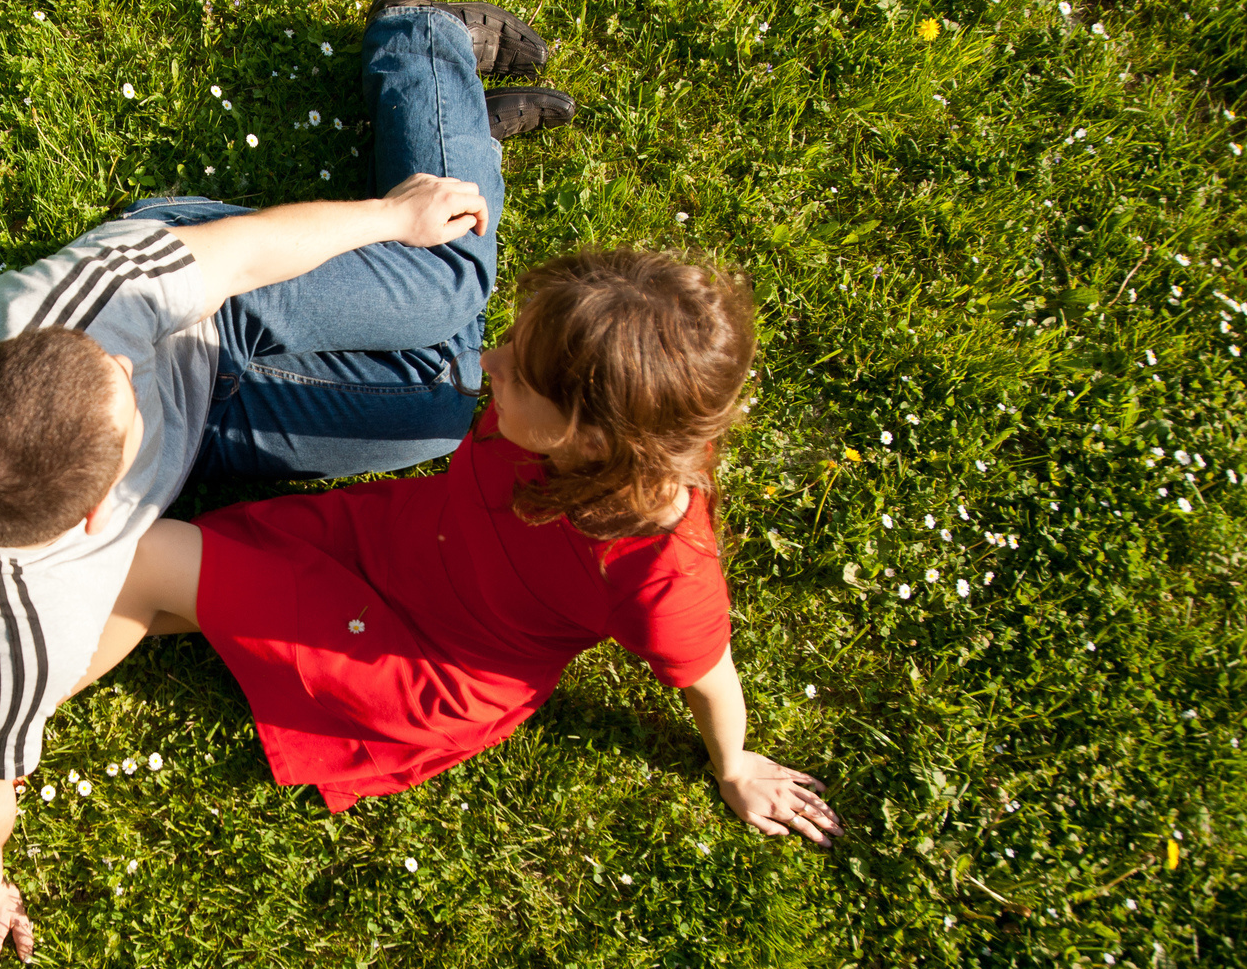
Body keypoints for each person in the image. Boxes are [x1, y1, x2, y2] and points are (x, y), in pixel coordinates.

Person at [0, 0, 576, 969]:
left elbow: (246, 257)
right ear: (97, 517)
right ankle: (459, 138)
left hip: (220, 301)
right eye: (123, 402)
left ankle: (426, 46)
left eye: (100, 371)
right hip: (219, 410)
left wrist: (389, 220)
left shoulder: (62, 311)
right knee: (445, 404)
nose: (130, 372)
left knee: (446, 280)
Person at [78, 246, 842, 832]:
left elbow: (710, 673)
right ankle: (40, 666)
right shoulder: (601, 426)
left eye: (516, 374)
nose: (486, 364)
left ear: (592, 440)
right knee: (160, 590)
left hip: (418, 657)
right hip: (389, 538)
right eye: (509, 340)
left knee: (149, 558)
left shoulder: (660, 574)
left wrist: (734, 764)